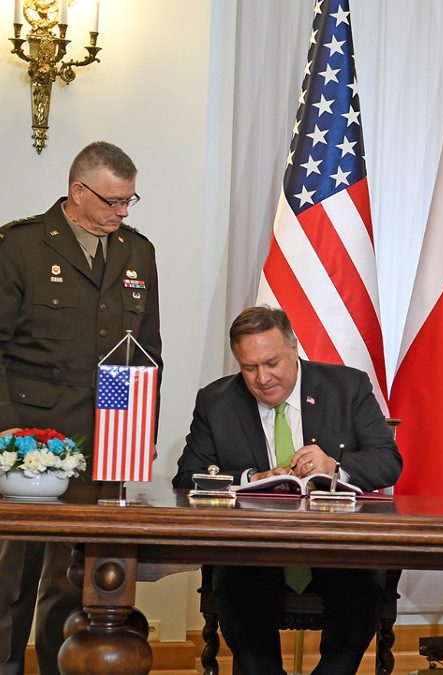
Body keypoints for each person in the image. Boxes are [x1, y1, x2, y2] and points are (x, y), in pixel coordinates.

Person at [0, 141, 161, 675]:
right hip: (27, 443)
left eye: (129, 200)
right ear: (78, 192)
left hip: (106, 442)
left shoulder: (137, 252)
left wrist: (142, 433)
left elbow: (147, 354)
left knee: (77, 581)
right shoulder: (19, 246)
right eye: (114, 201)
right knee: (10, 578)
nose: (123, 212)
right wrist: (7, 436)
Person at [173, 306, 401, 674]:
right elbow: (186, 478)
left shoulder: (347, 388)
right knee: (234, 588)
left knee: (362, 589)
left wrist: (335, 467)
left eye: (271, 363)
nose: (262, 378)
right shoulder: (216, 401)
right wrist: (251, 479)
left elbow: (388, 461)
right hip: (254, 552)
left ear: (294, 347)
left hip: (337, 549)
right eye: (249, 367)